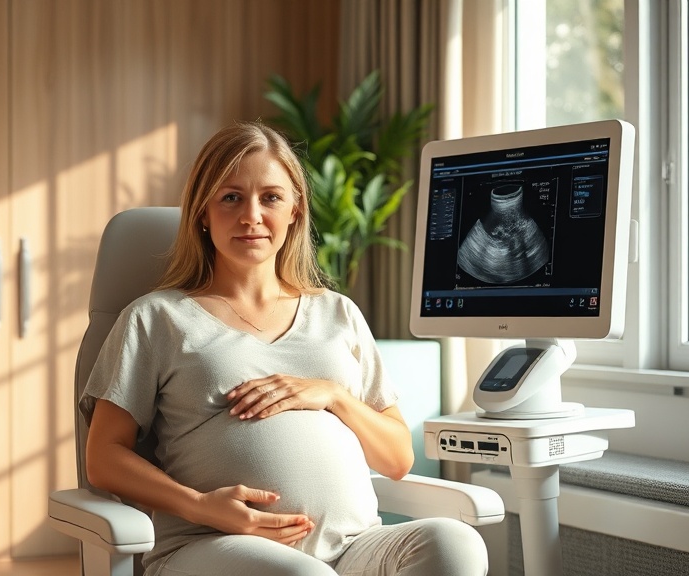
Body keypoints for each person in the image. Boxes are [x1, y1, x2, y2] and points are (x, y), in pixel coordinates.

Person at [80, 121, 488, 576]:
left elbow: (397, 459)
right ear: (202, 212)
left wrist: (333, 395)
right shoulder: (157, 318)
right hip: (212, 544)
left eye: (271, 197)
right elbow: (103, 458)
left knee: (455, 545)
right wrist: (200, 505)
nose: (251, 216)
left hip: (354, 548)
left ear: (295, 209)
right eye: (230, 197)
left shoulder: (338, 313)